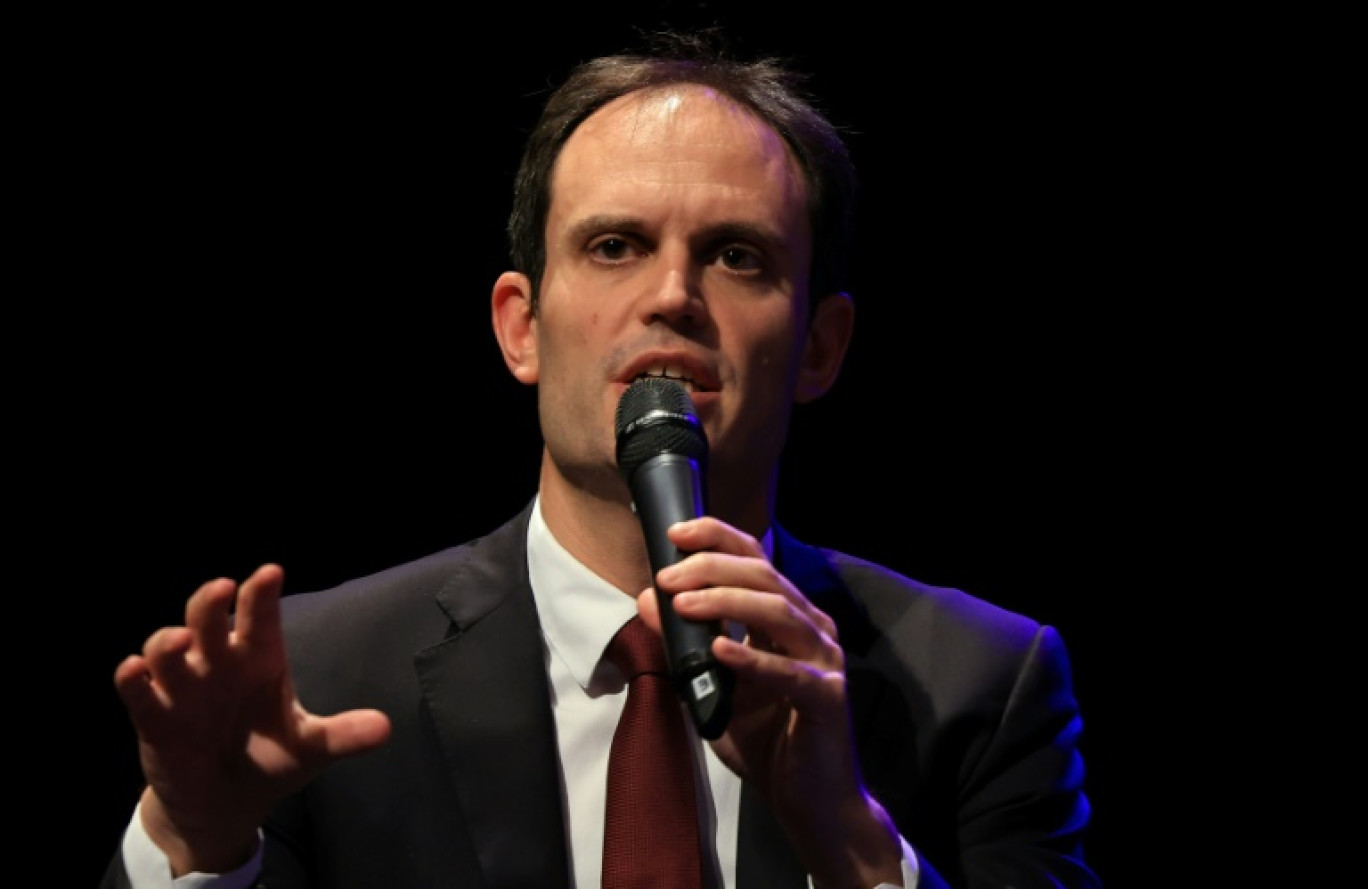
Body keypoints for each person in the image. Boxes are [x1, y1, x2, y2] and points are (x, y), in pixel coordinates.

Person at [101, 28, 1100, 889]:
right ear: (521, 327)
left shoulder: (980, 685)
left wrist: (851, 839)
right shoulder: (317, 676)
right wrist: (194, 843)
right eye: (615, 245)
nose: (672, 293)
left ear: (822, 346)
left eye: (737, 255)